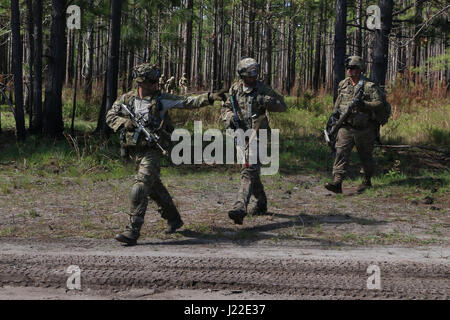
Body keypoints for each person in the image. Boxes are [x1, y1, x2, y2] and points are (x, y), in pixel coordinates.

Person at [106, 63, 226, 245]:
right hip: (133, 152)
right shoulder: (126, 100)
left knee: (140, 188)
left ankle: (132, 230)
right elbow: (110, 117)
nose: (157, 84)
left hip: (152, 151)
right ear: (141, 82)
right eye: (153, 81)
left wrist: (209, 97)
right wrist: (125, 123)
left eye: (157, 80)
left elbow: (187, 101)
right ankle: (174, 219)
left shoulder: (162, 99)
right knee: (154, 188)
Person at [221, 57, 287, 225]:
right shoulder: (235, 89)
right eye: (249, 74)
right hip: (240, 135)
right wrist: (230, 118)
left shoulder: (262, 89)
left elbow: (282, 105)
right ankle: (261, 202)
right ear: (241, 75)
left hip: (258, 136)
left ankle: (239, 207)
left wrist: (267, 101)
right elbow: (226, 108)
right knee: (251, 172)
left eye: (255, 74)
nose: (253, 77)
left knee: (248, 171)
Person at [324, 56, 384, 194]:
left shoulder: (369, 86)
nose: (349, 71)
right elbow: (338, 103)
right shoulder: (343, 84)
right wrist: (333, 119)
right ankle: (337, 182)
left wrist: (364, 105)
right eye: (348, 68)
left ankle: (366, 181)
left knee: (365, 156)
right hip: (346, 126)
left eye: (353, 68)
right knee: (340, 152)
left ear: (360, 69)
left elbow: (379, 103)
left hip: (364, 128)